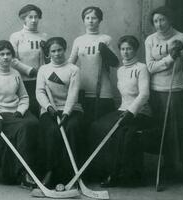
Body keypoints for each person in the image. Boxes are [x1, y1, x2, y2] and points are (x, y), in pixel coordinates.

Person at [145, 6, 183, 186]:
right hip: (157, 92)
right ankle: (165, 168)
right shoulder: (150, 40)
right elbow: (151, 67)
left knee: (181, 130)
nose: (159, 24)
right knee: (162, 131)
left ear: (170, 20)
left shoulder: (181, 37)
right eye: (155, 21)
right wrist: (170, 58)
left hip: (177, 91)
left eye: (162, 20)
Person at [90, 35, 152, 187]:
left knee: (123, 132)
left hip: (140, 112)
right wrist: (125, 111)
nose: (126, 52)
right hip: (122, 109)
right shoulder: (120, 70)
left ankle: (122, 174)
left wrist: (131, 112)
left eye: (129, 49)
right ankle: (105, 170)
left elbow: (144, 94)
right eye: (123, 49)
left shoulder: (141, 68)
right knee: (97, 127)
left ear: (135, 50)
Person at [68, 6, 119, 171]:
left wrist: (105, 51)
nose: (91, 21)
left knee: (101, 131)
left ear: (100, 20)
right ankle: (85, 169)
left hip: (102, 92)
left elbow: (115, 63)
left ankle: (102, 168)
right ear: (83, 20)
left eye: (94, 18)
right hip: (83, 91)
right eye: (88, 18)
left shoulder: (106, 39)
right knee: (83, 130)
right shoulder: (79, 40)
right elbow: (70, 64)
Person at [0, 40, 39, 187]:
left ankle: (33, 171)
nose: (6, 57)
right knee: (25, 127)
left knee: (34, 123)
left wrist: (21, 111)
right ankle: (23, 173)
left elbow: (24, 97)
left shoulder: (16, 74)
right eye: (2, 54)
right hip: (1, 114)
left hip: (18, 113)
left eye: (8, 54)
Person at [36, 37, 83, 188]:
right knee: (51, 130)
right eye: (53, 51)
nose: (57, 54)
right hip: (49, 109)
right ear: (48, 54)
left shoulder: (73, 69)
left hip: (71, 109)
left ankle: (71, 175)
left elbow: (73, 94)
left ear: (65, 50)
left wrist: (67, 113)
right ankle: (50, 172)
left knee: (72, 128)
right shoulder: (44, 70)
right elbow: (40, 91)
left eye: (59, 50)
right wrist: (48, 107)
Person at [9, 4, 48, 118]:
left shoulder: (43, 36)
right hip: (23, 79)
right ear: (23, 18)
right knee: (27, 108)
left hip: (40, 79)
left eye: (36, 17)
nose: (34, 20)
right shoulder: (16, 36)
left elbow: (48, 59)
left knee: (41, 108)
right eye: (30, 17)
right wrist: (29, 70)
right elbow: (12, 59)